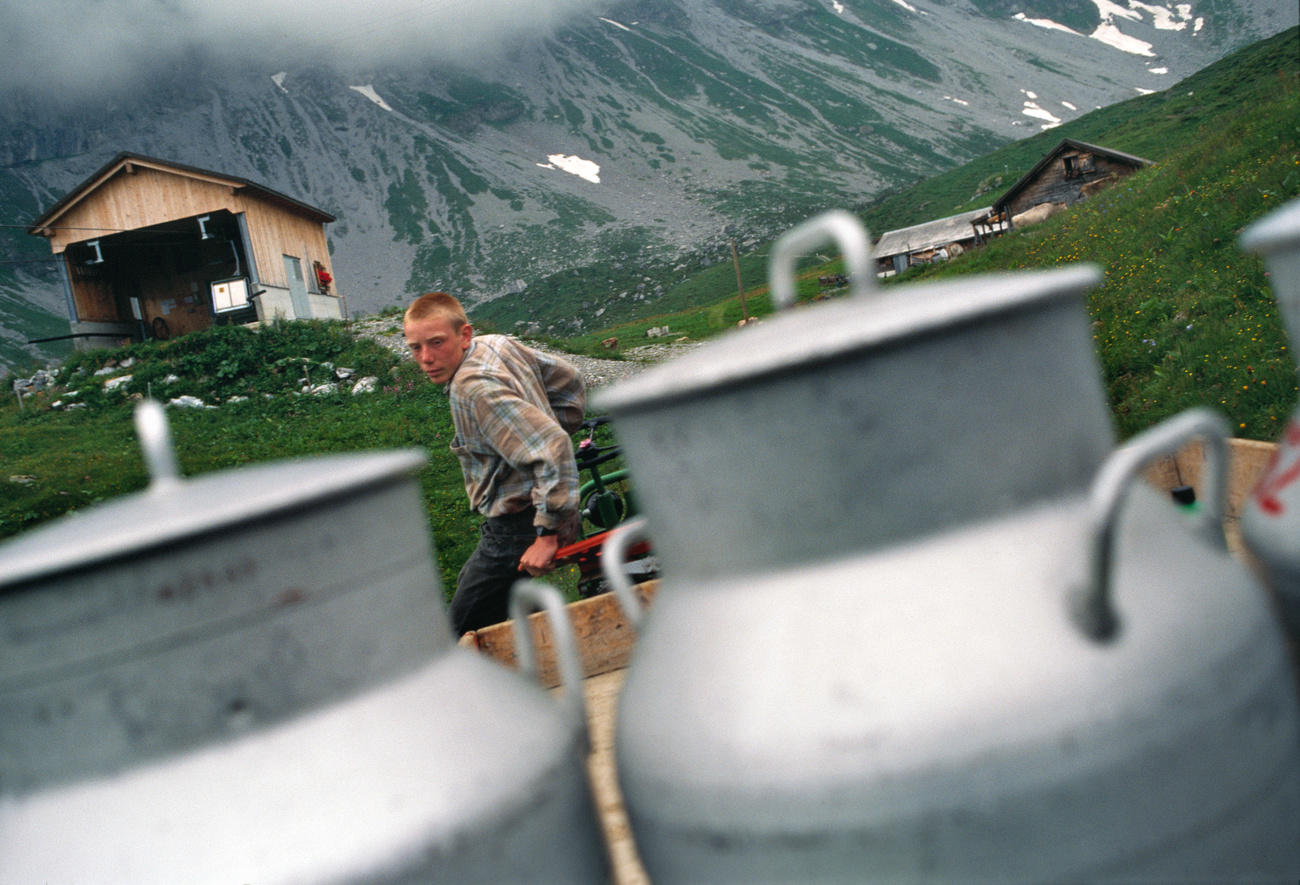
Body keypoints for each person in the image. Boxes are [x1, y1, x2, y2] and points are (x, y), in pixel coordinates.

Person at [404, 292, 586, 634]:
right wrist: (548, 422)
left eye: (436, 343)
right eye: (415, 347)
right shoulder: (496, 345)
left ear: (465, 335)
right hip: (525, 518)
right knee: (514, 615)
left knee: (461, 632)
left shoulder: (473, 389)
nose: (426, 358)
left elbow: (551, 444)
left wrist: (545, 533)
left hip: (519, 529)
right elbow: (570, 379)